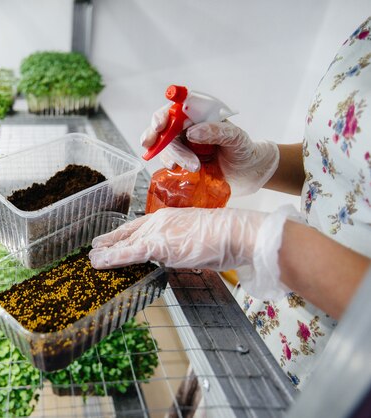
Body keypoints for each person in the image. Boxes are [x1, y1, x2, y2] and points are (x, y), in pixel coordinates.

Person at [89, 16, 371, 390]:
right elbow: (345, 173)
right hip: (265, 312)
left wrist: (255, 239)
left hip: (340, 375)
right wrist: (262, 163)